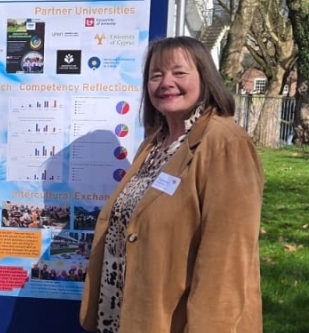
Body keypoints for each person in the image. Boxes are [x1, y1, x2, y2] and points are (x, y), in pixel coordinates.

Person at [79, 36, 264, 333]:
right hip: (124, 315)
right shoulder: (155, 144)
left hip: (179, 321)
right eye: (156, 75)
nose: (166, 82)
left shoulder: (225, 143)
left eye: (179, 73)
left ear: (205, 78)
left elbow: (228, 258)